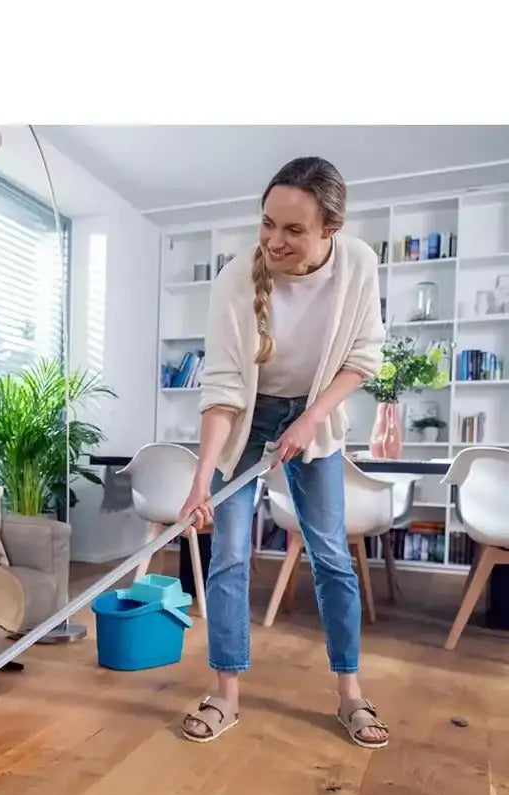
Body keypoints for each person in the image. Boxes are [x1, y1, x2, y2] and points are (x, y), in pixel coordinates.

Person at [177, 155, 389, 749]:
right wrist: (201, 483)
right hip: (249, 417)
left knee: (329, 554)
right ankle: (226, 693)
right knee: (230, 554)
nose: (274, 240)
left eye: (293, 229)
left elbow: (363, 358)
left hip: (315, 412)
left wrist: (312, 419)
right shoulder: (234, 279)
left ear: (330, 230)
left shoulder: (358, 266)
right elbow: (221, 390)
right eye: (267, 223)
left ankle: (350, 694)